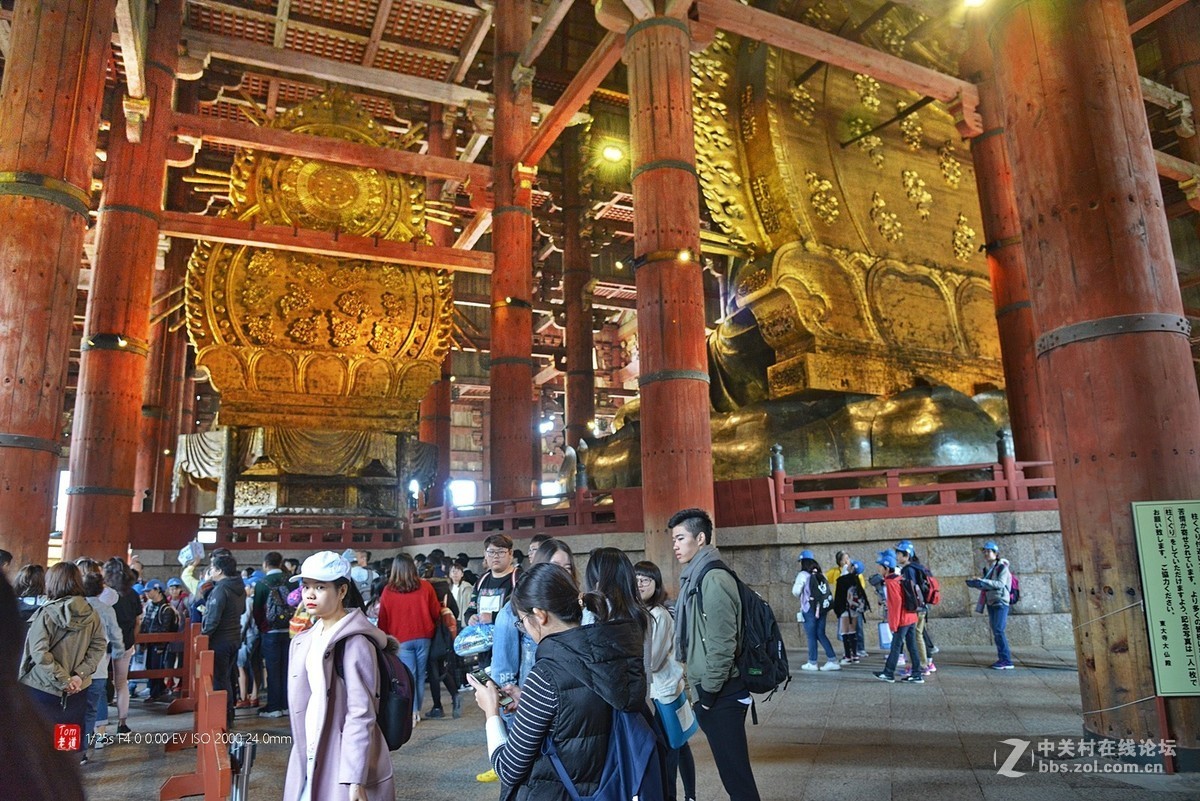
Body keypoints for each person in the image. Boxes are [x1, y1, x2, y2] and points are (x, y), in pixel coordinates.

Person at [466, 563, 648, 800]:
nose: (525, 629)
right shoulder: (611, 652)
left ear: (539, 615)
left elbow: (508, 769)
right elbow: (577, 706)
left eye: (522, 622)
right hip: (606, 787)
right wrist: (528, 700)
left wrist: (491, 712)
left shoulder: (545, 675)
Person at [284, 551, 394, 801]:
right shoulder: (306, 638)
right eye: (306, 586)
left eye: (320, 587)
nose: (310, 594)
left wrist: (355, 778)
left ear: (342, 591)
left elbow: (361, 714)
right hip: (308, 747)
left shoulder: (355, 644)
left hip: (340, 754)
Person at [669, 507, 761, 801]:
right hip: (715, 692)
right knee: (732, 773)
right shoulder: (696, 578)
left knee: (737, 777)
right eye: (673, 539)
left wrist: (707, 694)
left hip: (723, 693)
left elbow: (723, 644)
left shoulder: (713, 579)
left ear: (701, 538)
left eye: (680, 538)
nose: (675, 545)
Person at [0, 573, 88, 801]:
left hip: (40, 682)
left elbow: (35, 653)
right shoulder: (88, 612)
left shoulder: (39, 613)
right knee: (66, 723)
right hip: (73, 680)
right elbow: (98, 646)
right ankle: (75, 757)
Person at [19, 562, 106, 763]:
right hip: (77, 687)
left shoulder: (46, 613)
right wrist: (78, 676)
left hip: (43, 687)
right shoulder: (91, 613)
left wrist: (63, 679)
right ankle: (67, 779)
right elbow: (98, 647)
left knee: (39, 740)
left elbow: (39, 652)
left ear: (52, 582)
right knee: (67, 740)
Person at [636, 560, 697, 801]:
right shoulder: (641, 613)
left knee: (673, 749)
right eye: (636, 580)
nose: (640, 584)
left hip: (663, 693)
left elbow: (652, 660)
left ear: (656, 584)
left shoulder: (659, 615)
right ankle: (689, 796)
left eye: (645, 580)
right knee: (678, 746)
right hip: (659, 691)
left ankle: (681, 796)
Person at [375, 553, 440, 725]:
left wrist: (385, 641)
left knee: (409, 676)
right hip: (425, 636)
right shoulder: (426, 587)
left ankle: (412, 712)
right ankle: (416, 711)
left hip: (401, 638)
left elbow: (383, 619)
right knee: (420, 675)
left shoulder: (388, 591)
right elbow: (436, 612)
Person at [81, 571, 122, 757]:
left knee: (74, 707)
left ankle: (71, 748)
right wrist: (118, 653)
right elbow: (116, 635)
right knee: (94, 704)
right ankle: (92, 742)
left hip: (73, 666)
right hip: (98, 666)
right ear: (100, 590)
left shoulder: (74, 607)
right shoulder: (106, 609)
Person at [202, 552, 244, 726]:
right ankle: (229, 714)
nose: (211, 570)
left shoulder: (221, 589)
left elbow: (212, 619)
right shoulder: (239, 587)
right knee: (227, 677)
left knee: (219, 679)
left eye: (212, 567)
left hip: (221, 640)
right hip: (234, 637)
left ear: (219, 571)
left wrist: (204, 635)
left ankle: (222, 718)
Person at [873, 550, 923, 684]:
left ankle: (888, 673)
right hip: (910, 616)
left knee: (896, 646)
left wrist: (893, 624)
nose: (878, 569)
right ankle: (917, 674)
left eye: (880, 566)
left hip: (902, 619)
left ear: (886, 567)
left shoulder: (890, 582)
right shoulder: (898, 577)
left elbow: (896, 604)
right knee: (911, 646)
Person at [103, 558, 141, 734]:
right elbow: (137, 621)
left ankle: (100, 724)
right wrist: (132, 639)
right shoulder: (132, 594)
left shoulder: (103, 594)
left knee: (100, 681)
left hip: (103, 643)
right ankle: (122, 723)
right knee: (122, 683)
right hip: (125, 642)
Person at [254, 551, 292, 718]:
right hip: (291, 631)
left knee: (272, 669)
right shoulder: (290, 581)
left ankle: (274, 706)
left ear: (265, 564)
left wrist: (262, 628)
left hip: (270, 632)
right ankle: (287, 705)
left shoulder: (262, 583)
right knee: (288, 669)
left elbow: (257, 611)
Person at [968, 540, 1015, 670]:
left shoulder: (1002, 567)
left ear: (996, 553)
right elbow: (988, 585)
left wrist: (983, 581)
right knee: (996, 631)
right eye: (985, 551)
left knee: (999, 630)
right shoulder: (988, 569)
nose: (987, 554)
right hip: (991, 601)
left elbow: (1000, 584)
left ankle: (1006, 660)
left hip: (1000, 602)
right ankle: (1003, 658)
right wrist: (977, 583)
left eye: (989, 551)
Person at [792, 551, 839, 671]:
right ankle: (832, 659)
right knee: (821, 634)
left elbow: (796, 592)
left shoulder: (802, 575)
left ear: (803, 562)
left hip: (809, 609)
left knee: (811, 636)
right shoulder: (819, 573)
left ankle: (812, 662)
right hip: (822, 608)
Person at [895, 540, 934, 675]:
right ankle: (922, 664)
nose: (897, 556)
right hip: (921, 607)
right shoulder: (917, 567)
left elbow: (910, 590)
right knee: (917, 635)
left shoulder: (908, 570)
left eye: (899, 554)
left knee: (916, 636)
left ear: (906, 555)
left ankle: (921, 665)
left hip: (915, 608)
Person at [466, 534, 518, 625]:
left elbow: (525, 613)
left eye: (501, 552)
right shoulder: (481, 580)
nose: (495, 556)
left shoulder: (519, 579)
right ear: (485, 554)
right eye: (491, 552)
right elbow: (471, 608)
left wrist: (493, 617)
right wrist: (470, 618)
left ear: (510, 553)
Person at [140, 579, 179, 701]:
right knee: (150, 667)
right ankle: (154, 691)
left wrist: (161, 645)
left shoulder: (166, 609)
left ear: (158, 591)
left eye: (149, 590)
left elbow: (165, 629)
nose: (146, 593)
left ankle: (156, 692)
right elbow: (145, 624)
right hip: (150, 643)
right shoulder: (150, 606)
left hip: (159, 645)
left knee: (156, 667)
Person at [832, 560, 869, 664]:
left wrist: (837, 611)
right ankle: (855, 655)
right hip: (854, 609)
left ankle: (848, 656)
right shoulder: (856, 580)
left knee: (844, 631)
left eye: (850, 565)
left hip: (844, 609)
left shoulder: (842, 580)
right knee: (852, 631)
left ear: (852, 568)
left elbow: (838, 598)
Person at [448, 561, 472, 628]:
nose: (455, 573)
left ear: (462, 574)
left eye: (458, 571)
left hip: (461, 619)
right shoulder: (447, 588)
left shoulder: (467, 587)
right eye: (453, 571)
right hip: (450, 618)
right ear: (449, 574)